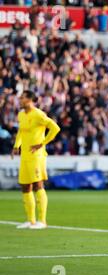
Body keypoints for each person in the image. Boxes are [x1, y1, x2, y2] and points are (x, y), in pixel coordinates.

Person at [11, 90, 60, 229]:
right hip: (25, 155)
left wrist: (42, 143)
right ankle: (31, 220)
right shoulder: (21, 114)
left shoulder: (38, 114)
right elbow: (21, 131)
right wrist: (16, 146)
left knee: (38, 185)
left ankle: (42, 221)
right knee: (25, 187)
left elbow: (55, 128)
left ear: (30, 100)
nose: (20, 100)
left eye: (22, 98)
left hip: (37, 156)